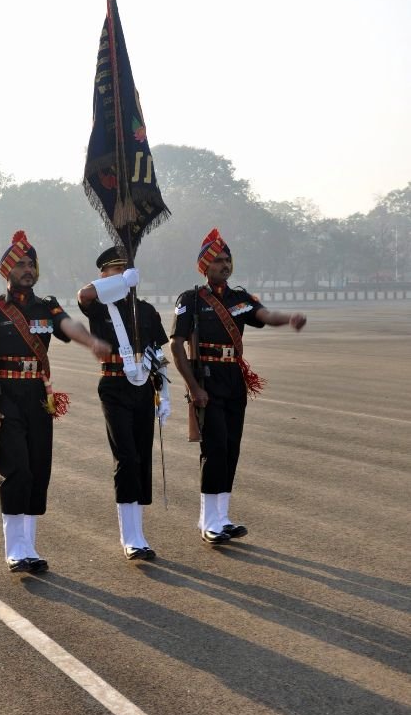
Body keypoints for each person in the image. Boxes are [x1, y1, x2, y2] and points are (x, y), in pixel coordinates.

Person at [0, 230, 110, 573]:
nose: (28, 269)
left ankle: (29, 547)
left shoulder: (47, 305)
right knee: (15, 468)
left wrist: (90, 342)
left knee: (37, 469)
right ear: (8, 271)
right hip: (4, 398)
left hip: (38, 397)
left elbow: (67, 324)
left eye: (31, 263)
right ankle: (15, 549)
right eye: (21, 264)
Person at [170, 228, 306, 545]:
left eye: (228, 259)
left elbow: (265, 315)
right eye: (217, 260)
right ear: (204, 265)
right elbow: (177, 346)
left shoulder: (240, 299)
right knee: (214, 449)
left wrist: (288, 319)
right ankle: (208, 521)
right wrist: (193, 388)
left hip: (233, 378)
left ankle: (223, 518)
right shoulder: (190, 300)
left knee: (231, 448)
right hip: (205, 378)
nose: (224, 265)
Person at [77, 246, 171, 561]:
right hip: (114, 386)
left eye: (126, 272)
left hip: (143, 387)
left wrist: (164, 395)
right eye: (115, 272)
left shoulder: (145, 310)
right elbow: (85, 295)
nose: (122, 277)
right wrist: (115, 285)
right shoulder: (100, 308)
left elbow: (158, 354)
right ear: (104, 275)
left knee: (141, 458)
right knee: (126, 458)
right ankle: (130, 538)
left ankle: (139, 534)